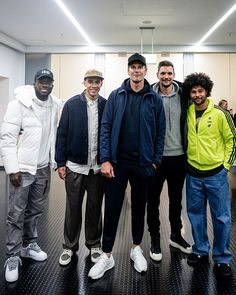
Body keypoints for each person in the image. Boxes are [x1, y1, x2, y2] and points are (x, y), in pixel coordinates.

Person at [88, 53, 166, 280]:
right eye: (133, 67)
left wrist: (155, 161)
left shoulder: (154, 99)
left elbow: (160, 132)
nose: (136, 70)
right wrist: (105, 159)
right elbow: (106, 127)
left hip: (143, 164)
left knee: (139, 208)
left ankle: (136, 248)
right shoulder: (116, 96)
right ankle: (107, 254)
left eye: (140, 67)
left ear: (145, 71)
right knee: (112, 208)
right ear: (128, 70)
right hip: (116, 164)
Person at [0, 69, 62, 283]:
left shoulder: (54, 105)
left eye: (49, 81)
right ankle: (13, 256)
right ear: (34, 83)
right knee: (16, 213)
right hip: (22, 168)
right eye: (41, 81)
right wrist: (12, 168)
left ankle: (28, 245)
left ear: (52, 84)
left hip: (43, 167)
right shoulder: (19, 104)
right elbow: (7, 138)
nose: (45, 84)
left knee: (35, 211)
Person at [182, 72, 236, 277]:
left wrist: (225, 165)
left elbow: (232, 140)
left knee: (221, 217)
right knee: (196, 215)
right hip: (193, 173)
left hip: (216, 174)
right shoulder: (187, 112)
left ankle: (222, 258)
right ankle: (201, 250)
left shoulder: (220, 114)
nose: (197, 95)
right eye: (193, 91)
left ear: (207, 91)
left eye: (200, 91)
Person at [55, 69, 106, 266]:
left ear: (101, 83)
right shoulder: (72, 104)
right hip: (75, 168)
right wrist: (60, 162)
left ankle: (94, 244)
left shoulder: (106, 105)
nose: (94, 85)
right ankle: (69, 247)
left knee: (94, 208)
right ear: (84, 82)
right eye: (90, 81)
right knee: (73, 209)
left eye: (97, 82)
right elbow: (62, 134)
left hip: (97, 169)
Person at [147, 60, 192, 262]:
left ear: (174, 74)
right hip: (155, 159)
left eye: (169, 73)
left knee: (176, 201)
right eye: (163, 73)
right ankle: (155, 239)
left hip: (178, 157)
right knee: (153, 201)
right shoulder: (149, 95)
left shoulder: (184, 95)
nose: (166, 76)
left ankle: (176, 235)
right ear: (157, 74)